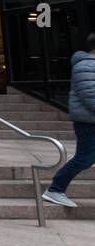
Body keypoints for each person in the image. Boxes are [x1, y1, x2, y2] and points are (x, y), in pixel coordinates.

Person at [44, 33, 95, 208]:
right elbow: (90, 94)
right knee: (84, 159)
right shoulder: (86, 65)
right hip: (88, 122)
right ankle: (55, 189)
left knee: (85, 158)